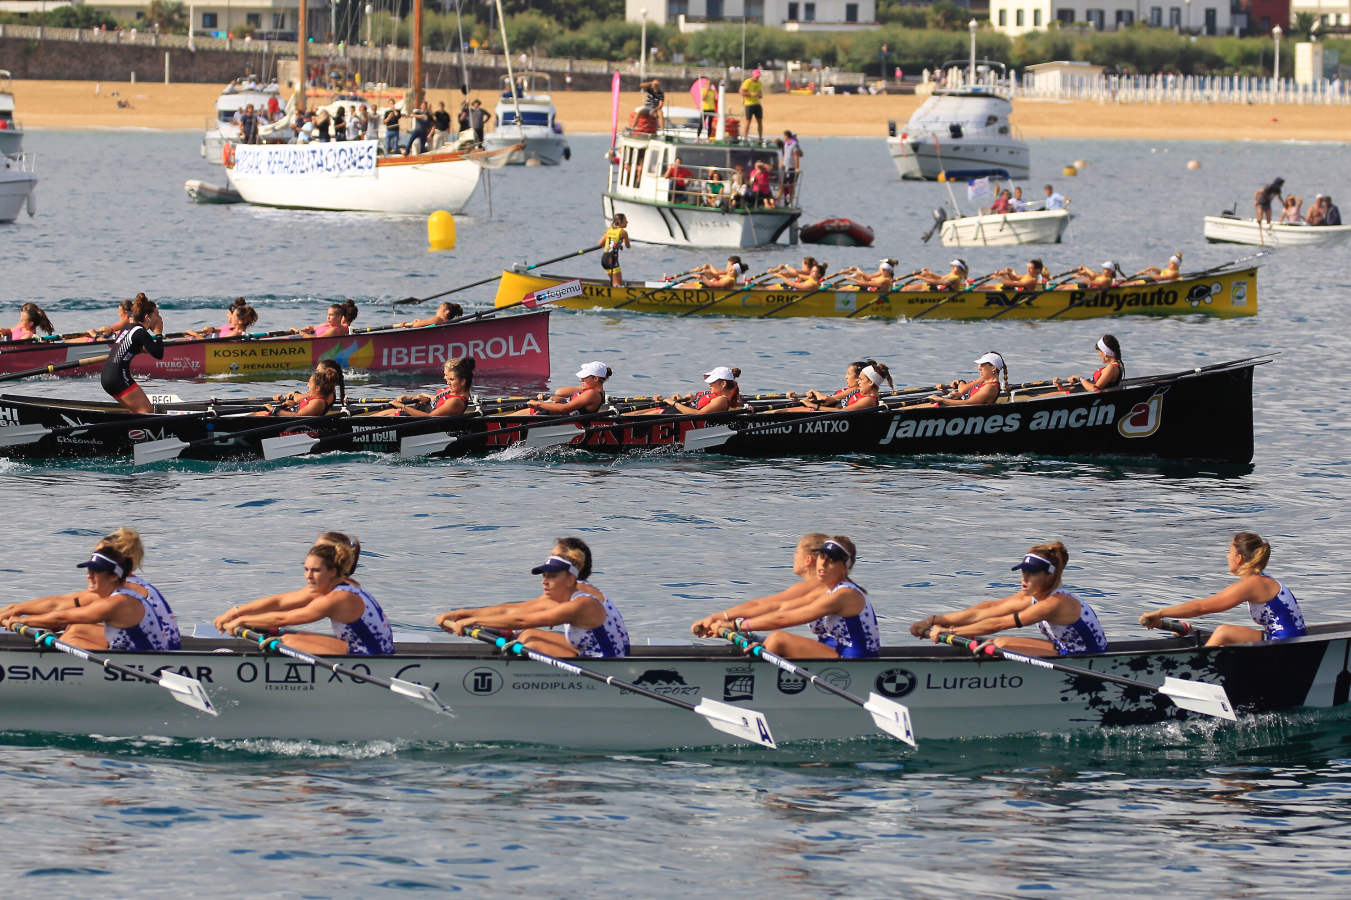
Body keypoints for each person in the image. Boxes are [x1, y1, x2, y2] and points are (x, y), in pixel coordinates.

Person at [436, 540, 630, 658]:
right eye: (544, 576)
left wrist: (475, 621)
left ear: (570, 579)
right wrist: (462, 613)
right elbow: (511, 611)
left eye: (552, 576)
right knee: (528, 634)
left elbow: (521, 620)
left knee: (531, 645)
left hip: (608, 664)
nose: (545, 581)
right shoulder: (569, 592)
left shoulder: (582, 604)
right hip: (589, 652)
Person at [912, 542, 1108, 657]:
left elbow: (998, 624)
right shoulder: (1033, 597)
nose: (1024, 578)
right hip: (1064, 650)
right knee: (993, 642)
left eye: (1032, 573)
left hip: (1086, 657)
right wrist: (934, 621)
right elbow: (983, 611)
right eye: (1023, 571)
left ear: (1049, 576)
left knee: (1000, 644)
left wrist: (949, 632)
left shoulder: (1054, 603)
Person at [0, 528, 180, 652]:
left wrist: (20, 616)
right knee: (76, 628)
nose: (89, 574)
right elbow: (62, 610)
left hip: (158, 658)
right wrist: (15, 612)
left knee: (73, 635)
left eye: (99, 561)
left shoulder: (122, 595)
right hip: (147, 644)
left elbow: (59, 610)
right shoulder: (127, 585)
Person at [701, 537, 879, 660]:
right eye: (821, 557)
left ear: (844, 568)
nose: (823, 564)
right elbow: (781, 608)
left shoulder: (844, 595)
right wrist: (724, 618)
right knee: (769, 639)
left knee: (778, 639)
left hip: (854, 661)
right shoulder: (827, 590)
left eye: (831, 560)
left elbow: (783, 620)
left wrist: (735, 626)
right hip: (833, 652)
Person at [214, 539, 394, 656]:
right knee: (296, 637)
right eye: (306, 569)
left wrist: (241, 620)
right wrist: (236, 613)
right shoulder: (342, 585)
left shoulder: (336, 599)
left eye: (315, 571)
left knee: (287, 640)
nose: (308, 576)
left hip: (371, 655)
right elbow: (280, 603)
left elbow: (282, 618)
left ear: (332, 572)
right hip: (364, 647)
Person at [1139, 532, 1307, 647]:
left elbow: (1202, 607)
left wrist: (1160, 613)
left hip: (1285, 645)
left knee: (1223, 632)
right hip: (1285, 640)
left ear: (1239, 558)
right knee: (1227, 635)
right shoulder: (1262, 580)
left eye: (1229, 552)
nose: (1227, 556)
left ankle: (1197, 671)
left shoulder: (1253, 584)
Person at [690, 532, 828, 638]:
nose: (794, 556)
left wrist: (723, 618)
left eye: (796, 552)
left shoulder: (815, 585)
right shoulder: (818, 585)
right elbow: (770, 607)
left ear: (808, 560)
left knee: (776, 640)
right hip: (830, 650)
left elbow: (770, 607)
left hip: (839, 656)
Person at [100, 293, 164, 414]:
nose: (159, 318)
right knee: (147, 411)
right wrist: (158, 332)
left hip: (107, 376)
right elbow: (158, 354)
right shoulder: (140, 332)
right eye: (157, 314)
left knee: (137, 411)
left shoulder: (129, 327)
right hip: (118, 377)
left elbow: (135, 347)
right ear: (147, 317)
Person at [371, 357, 474, 419]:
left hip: (418, 420)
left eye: (451, 379)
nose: (446, 380)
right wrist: (416, 397)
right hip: (417, 411)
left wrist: (402, 406)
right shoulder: (454, 389)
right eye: (445, 376)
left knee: (383, 415)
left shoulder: (456, 401)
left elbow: (430, 417)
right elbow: (437, 400)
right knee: (381, 413)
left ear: (463, 381)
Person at [514, 360, 611, 416]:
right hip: (549, 414)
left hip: (551, 418)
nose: (581, 379)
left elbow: (564, 409)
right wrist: (553, 399)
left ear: (595, 378)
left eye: (585, 377)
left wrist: (538, 403)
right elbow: (560, 392)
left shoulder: (592, 394)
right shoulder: (590, 390)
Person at [644, 366, 743, 415]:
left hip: (677, 415)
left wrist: (674, 403)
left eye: (712, 381)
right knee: (632, 414)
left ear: (723, 384)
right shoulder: (715, 394)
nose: (709, 384)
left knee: (634, 415)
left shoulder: (721, 400)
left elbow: (698, 414)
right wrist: (685, 399)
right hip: (676, 410)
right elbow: (698, 404)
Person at [796, 362, 892, 412]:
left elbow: (842, 411)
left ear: (871, 382)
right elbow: (835, 402)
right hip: (827, 411)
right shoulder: (858, 392)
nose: (858, 381)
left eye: (861, 379)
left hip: (834, 417)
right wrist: (799, 399)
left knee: (786, 411)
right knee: (784, 410)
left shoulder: (868, 400)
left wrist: (813, 406)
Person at [931, 351, 1008, 406]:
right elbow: (966, 400)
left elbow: (968, 403)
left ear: (993, 368)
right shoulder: (984, 383)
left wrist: (942, 399)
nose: (979, 367)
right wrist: (947, 393)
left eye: (982, 364)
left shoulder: (991, 387)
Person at [1054, 334, 1123, 394]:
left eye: (1099, 351)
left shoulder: (1111, 368)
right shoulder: (1114, 367)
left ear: (1105, 353)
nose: (1098, 354)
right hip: (1078, 392)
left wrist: (1081, 379)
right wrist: (1061, 387)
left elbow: (1095, 389)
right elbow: (1087, 387)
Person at [257, 368, 337, 417]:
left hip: (287, 422)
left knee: (257, 414)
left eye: (309, 383)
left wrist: (274, 410)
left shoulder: (318, 402)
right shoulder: (314, 399)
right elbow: (302, 410)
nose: (307, 386)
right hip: (285, 418)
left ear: (317, 388)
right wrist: (293, 404)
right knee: (258, 413)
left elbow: (298, 416)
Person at [185, 297, 258, 340]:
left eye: (234, 316)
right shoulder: (232, 329)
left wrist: (195, 334)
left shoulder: (235, 334)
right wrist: (210, 329)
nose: (231, 317)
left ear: (240, 321)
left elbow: (213, 345)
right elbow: (217, 331)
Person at [292, 300, 358, 338]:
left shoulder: (335, 330)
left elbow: (315, 340)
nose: (328, 317)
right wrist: (304, 330)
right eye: (328, 314)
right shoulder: (329, 324)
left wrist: (300, 332)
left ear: (340, 316)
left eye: (331, 315)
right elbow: (312, 328)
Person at [598, 213, 630, 287]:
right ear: (620, 222)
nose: (627, 222)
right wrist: (620, 244)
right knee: (618, 285)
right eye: (625, 220)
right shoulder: (623, 232)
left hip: (604, 259)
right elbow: (628, 246)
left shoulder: (609, 230)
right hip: (612, 259)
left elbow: (600, 244)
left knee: (614, 283)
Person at [395, 301, 462, 328]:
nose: (437, 310)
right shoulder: (447, 323)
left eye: (439, 308)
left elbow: (416, 325)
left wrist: (415, 323)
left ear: (446, 312)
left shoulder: (439, 319)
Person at [740, 68, 764, 141]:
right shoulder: (747, 82)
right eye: (756, 76)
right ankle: (745, 137)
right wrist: (751, 94)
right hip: (749, 104)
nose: (757, 77)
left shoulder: (759, 83)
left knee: (760, 121)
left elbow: (760, 93)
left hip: (757, 103)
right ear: (753, 75)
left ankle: (760, 137)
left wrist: (759, 95)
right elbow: (742, 92)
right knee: (748, 121)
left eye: (758, 76)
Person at [780, 130, 802, 206]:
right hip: (784, 166)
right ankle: (781, 200)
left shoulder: (794, 144)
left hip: (791, 167)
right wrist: (781, 163)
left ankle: (791, 202)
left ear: (786, 136)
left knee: (791, 185)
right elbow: (785, 155)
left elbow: (797, 156)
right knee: (782, 184)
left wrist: (796, 168)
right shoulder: (786, 143)